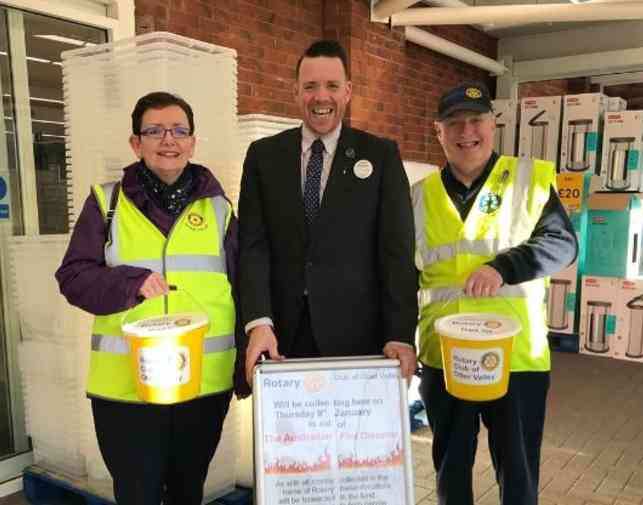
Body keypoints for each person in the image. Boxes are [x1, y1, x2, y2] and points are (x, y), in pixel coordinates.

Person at [56, 92, 238, 505]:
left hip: (202, 386)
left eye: (178, 130)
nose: (167, 140)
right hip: (126, 391)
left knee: (187, 492)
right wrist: (129, 283)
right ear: (136, 143)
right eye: (154, 131)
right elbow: (72, 277)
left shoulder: (220, 210)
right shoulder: (107, 204)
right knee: (137, 495)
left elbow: (243, 285)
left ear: (192, 142)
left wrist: (246, 360)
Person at [412, 82, 578, 505]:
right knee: (450, 466)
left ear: (492, 124)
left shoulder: (528, 180)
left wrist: (502, 267)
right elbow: (399, 275)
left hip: (515, 357)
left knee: (518, 468)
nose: (466, 131)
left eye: (476, 120)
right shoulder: (418, 197)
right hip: (445, 357)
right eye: (454, 123)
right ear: (438, 131)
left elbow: (562, 245)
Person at [238, 39, 418, 388]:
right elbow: (253, 247)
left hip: (360, 337)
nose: (321, 97)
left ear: (348, 91)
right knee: (287, 438)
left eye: (332, 86)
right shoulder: (263, 156)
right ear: (295, 92)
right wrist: (258, 322)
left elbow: (396, 253)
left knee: (356, 441)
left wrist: (400, 334)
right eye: (310, 87)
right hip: (281, 337)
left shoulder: (380, 156)